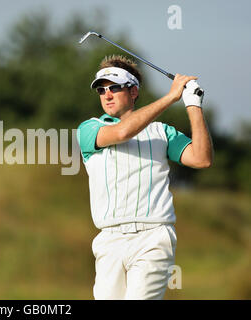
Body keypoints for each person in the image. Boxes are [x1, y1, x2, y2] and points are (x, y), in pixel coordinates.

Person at [76, 55, 213, 300]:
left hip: (153, 237)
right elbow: (123, 131)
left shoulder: (162, 132)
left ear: (134, 91)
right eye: (101, 90)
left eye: (114, 88)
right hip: (109, 240)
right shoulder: (90, 129)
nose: (107, 95)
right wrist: (171, 97)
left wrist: (193, 105)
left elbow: (202, 158)